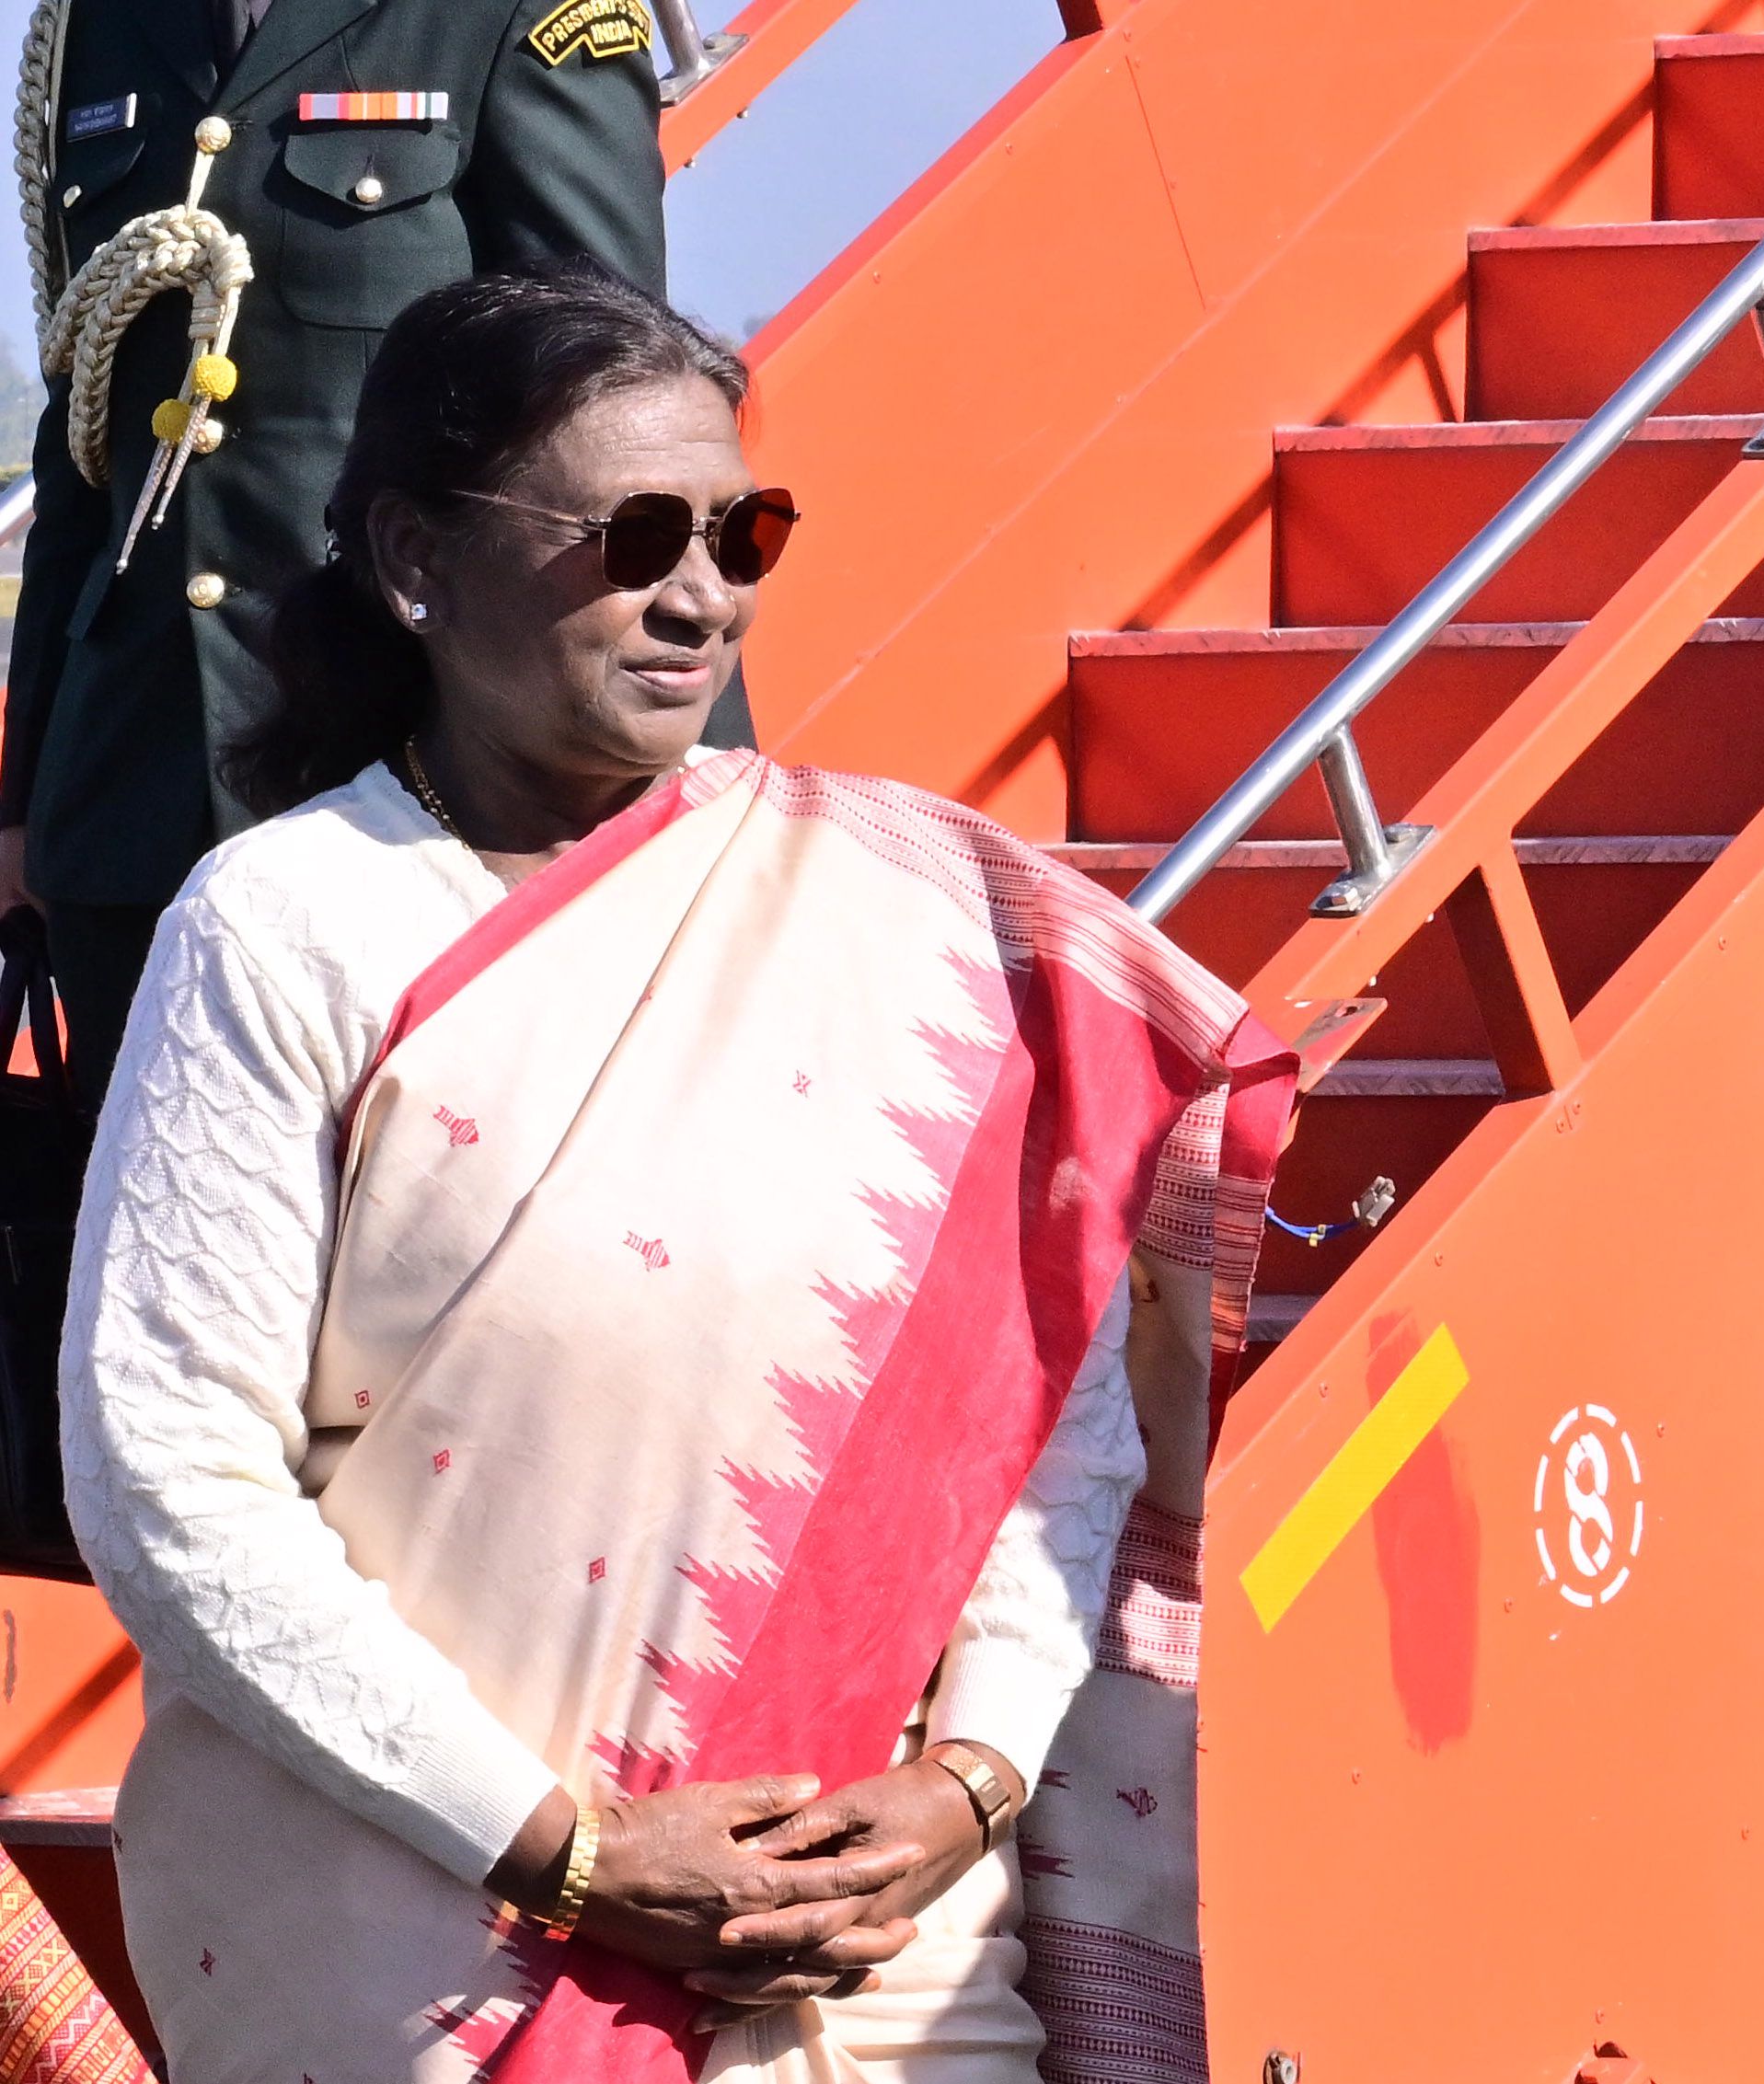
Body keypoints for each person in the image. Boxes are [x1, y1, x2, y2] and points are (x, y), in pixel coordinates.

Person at [58, 264, 1290, 2081]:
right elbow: (170, 1477)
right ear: (416, 559)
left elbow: (1060, 1414)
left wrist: (970, 1779)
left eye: (742, 532)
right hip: (437, 1953)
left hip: (881, 1959)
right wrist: (564, 1851)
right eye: (635, 537)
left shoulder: (903, 914)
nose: (703, 594)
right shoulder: (290, 927)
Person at [0, 0, 741, 1099]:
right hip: (134, 791)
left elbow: (619, 404)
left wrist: (669, 782)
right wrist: (23, 802)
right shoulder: (99, 24)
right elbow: (85, 444)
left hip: (411, 787)